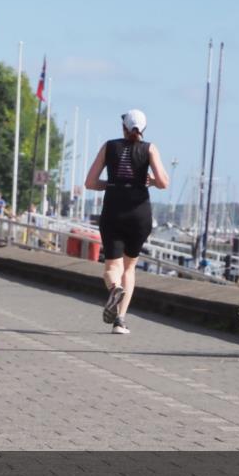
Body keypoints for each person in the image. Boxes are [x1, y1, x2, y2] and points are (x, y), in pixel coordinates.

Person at [84, 109, 169, 335]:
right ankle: (120, 321)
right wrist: (149, 182)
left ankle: (115, 288)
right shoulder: (150, 148)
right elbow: (163, 182)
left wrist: (112, 183)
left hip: (113, 209)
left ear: (123, 127)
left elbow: (90, 183)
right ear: (144, 129)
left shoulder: (109, 146)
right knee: (129, 267)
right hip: (139, 213)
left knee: (112, 267)